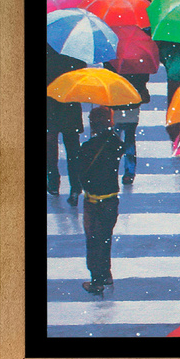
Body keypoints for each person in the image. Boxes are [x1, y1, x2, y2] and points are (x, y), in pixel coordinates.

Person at [77, 106, 124, 295]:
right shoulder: (115, 144)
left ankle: (96, 280)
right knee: (105, 237)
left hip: (93, 201)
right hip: (111, 199)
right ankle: (106, 272)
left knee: (93, 240)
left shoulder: (87, 148)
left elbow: (81, 174)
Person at [46, 45, 84, 205]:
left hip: (50, 104)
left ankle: (53, 181)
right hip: (70, 104)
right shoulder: (74, 50)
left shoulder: (49, 50)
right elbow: (81, 73)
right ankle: (75, 186)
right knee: (73, 149)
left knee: (50, 146)